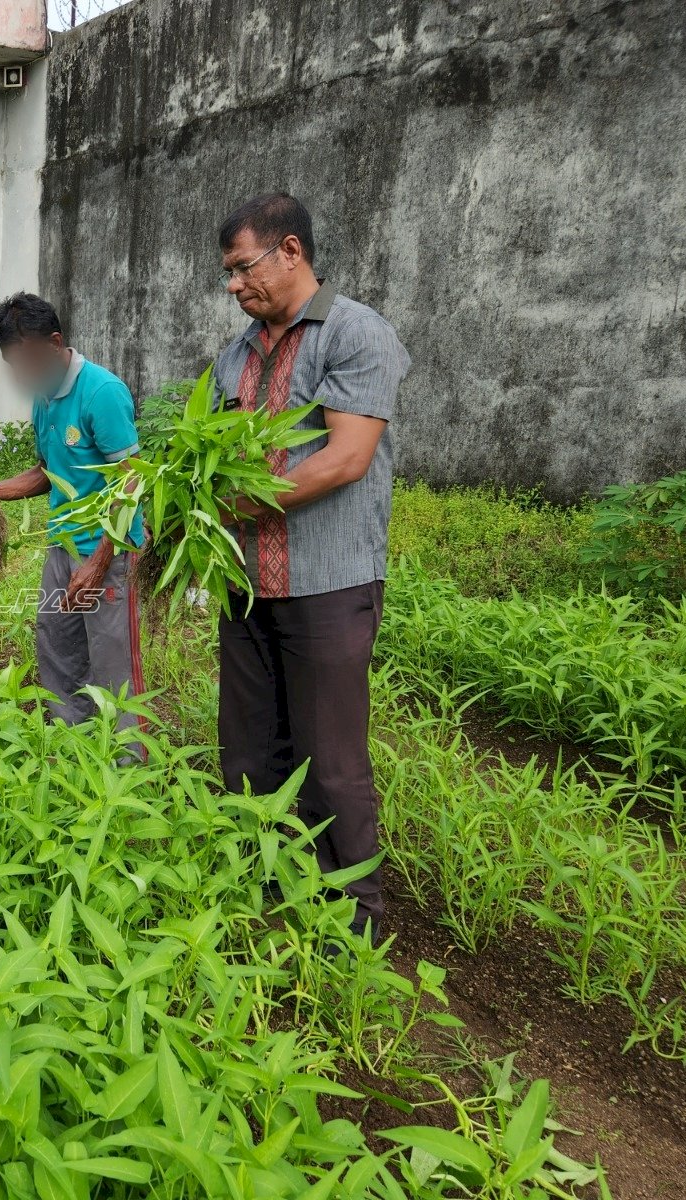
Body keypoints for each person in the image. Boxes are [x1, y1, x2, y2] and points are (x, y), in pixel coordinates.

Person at [211, 194, 409, 944]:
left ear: (291, 251)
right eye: (227, 274)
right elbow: (214, 453)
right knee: (250, 747)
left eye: (243, 267)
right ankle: (263, 880)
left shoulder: (356, 333)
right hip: (245, 582)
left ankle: (353, 918)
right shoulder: (235, 355)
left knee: (329, 759)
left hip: (327, 581)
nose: (234, 285)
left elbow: (346, 458)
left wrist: (231, 504)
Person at [0, 292, 146, 739]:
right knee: (57, 645)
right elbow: (48, 471)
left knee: (112, 659)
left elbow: (132, 480)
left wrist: (100, 561)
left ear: (55, 342)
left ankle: (126, 760)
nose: (21, 375)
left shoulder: (101, 393)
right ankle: (72, 742)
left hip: (109, 553)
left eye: (25, 362)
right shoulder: (44, 396)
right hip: (61, 548)